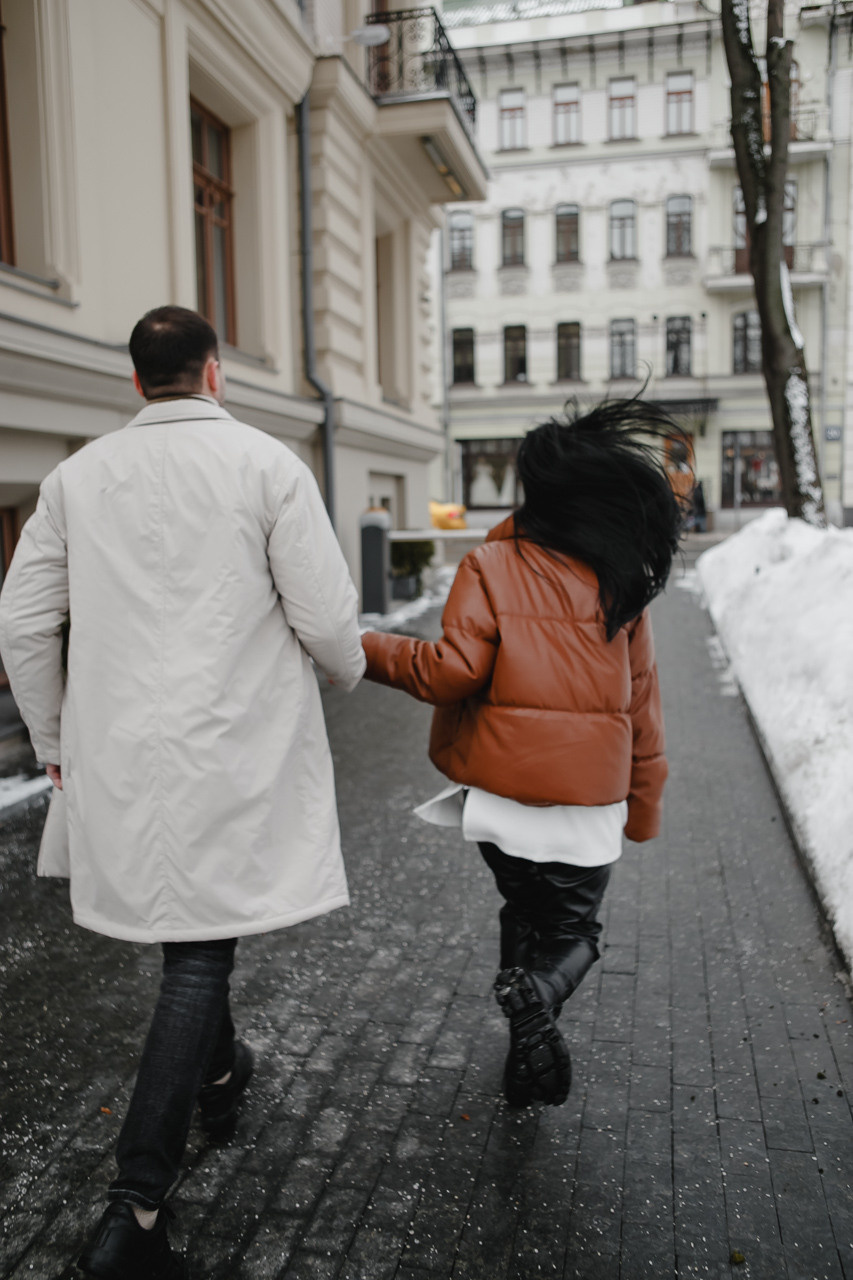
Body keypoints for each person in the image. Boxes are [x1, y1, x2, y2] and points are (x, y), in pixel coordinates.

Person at [0, 306, 365, 1279]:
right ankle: (137, 1202)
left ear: (135, 382)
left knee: (192, 931)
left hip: (123, 755)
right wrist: (346, 669)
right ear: (214, 373)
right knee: (198, 952)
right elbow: (330, 622)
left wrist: (52, 742)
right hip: (233, 748)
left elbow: (26, 624)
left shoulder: (76, 479)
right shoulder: (267, 466)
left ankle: (218, 1070)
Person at [361, 397, 684, 1108]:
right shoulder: (620, 574)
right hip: (587, 801)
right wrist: (644, 806)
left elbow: (450, 672)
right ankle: (535, 993)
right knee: (572, 933)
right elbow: (641, 702)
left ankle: (523, 1051)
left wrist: (363, 649)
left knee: (523, 912)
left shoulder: (489, 563)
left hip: (500, 801)